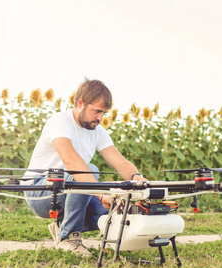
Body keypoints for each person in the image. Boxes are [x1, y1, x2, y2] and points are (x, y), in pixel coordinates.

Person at [24, 78, 148, 256]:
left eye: (104, 112)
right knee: (89, 169)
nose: (100, 118)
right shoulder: (59, 122)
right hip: (40, 191)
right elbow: (71, 162)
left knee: (114, 213)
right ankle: (69, 238)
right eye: (97, 111)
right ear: (80, 103)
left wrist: (137, 178)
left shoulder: (98, 131)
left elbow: (120, 162)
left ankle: (62, 225)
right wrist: (101, 194)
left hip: (73, 189)